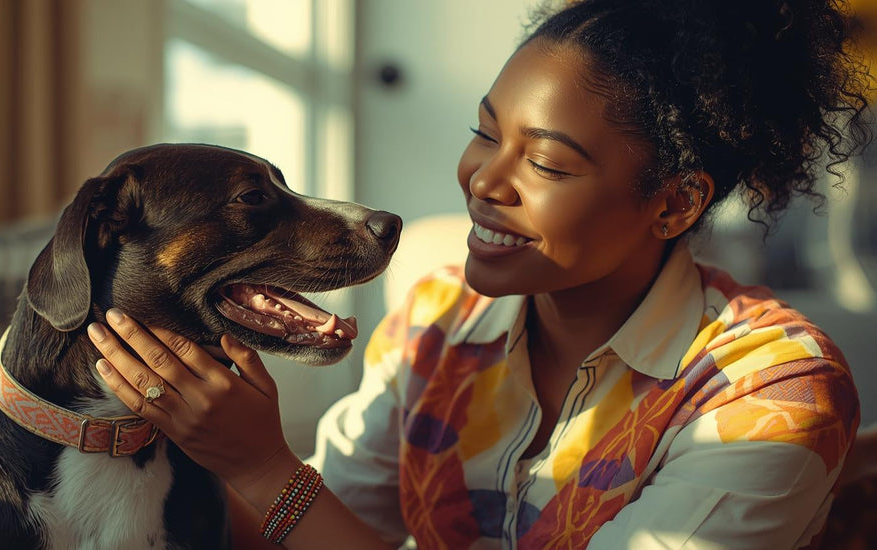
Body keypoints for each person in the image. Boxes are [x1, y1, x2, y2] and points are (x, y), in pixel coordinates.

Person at [85, 0, 873, 547]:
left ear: (674, 204)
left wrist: (261, 466)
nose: (483, 181)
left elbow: (292, 505)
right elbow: (316, 530)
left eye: (545, 162)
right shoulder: (438, 320)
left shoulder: (772, 395)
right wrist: (157, 439)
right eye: (483, 133)